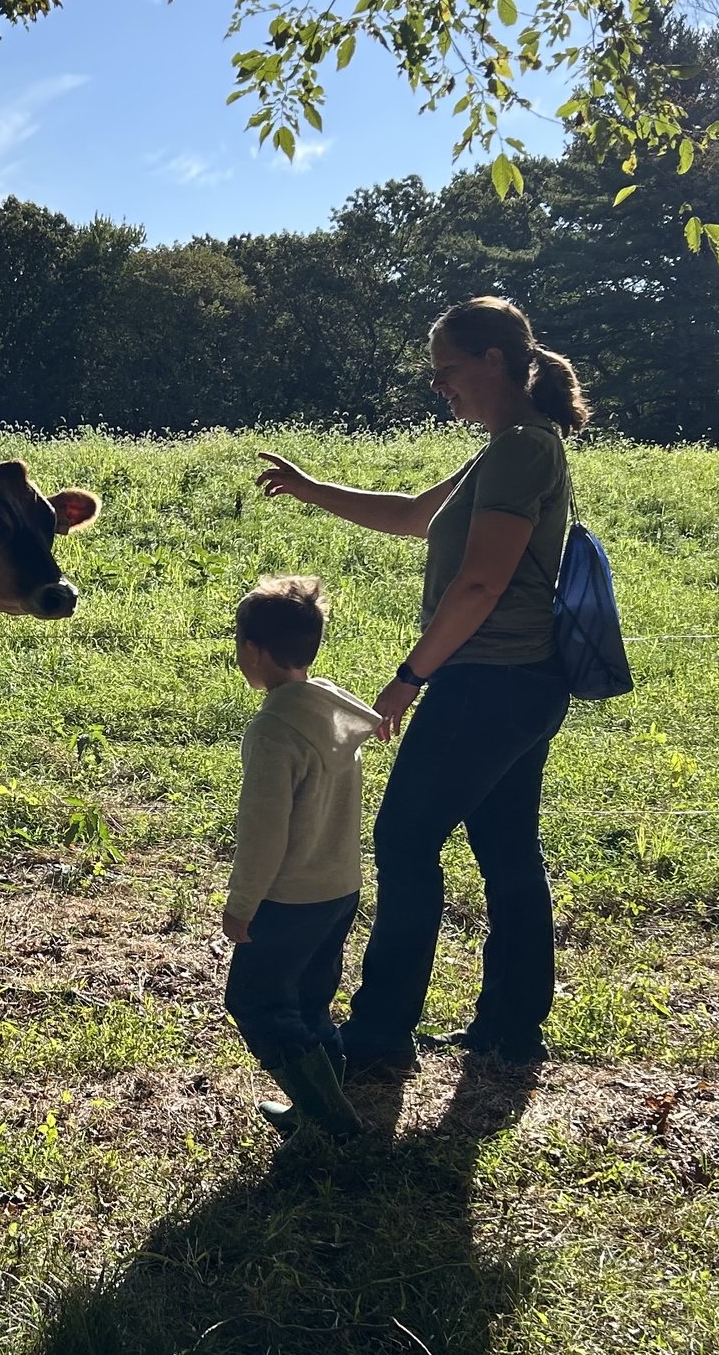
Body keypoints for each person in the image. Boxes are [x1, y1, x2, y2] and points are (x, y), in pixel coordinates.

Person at [255, 295, 586, 1076]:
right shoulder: (508, 447)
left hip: (490, 684)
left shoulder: (520, 450)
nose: (441, 387)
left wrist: (407, 680)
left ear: (493, 362)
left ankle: (378, 1033)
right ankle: (509, 1028)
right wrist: (310, 488)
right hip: (516, 685)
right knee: (506, 850)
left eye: (447, 371)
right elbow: (411, 515)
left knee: (405, 841)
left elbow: (478, 584)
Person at [222, 575, 383, 1140]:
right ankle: (321, 1098)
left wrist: (241, 905)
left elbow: (264, 832)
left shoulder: (272, 731)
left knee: (257, 1002)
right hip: (339, 887)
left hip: (289, 898)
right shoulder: (331, 708)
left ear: (252, 651)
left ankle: (328, 1120)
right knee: (311, 998)